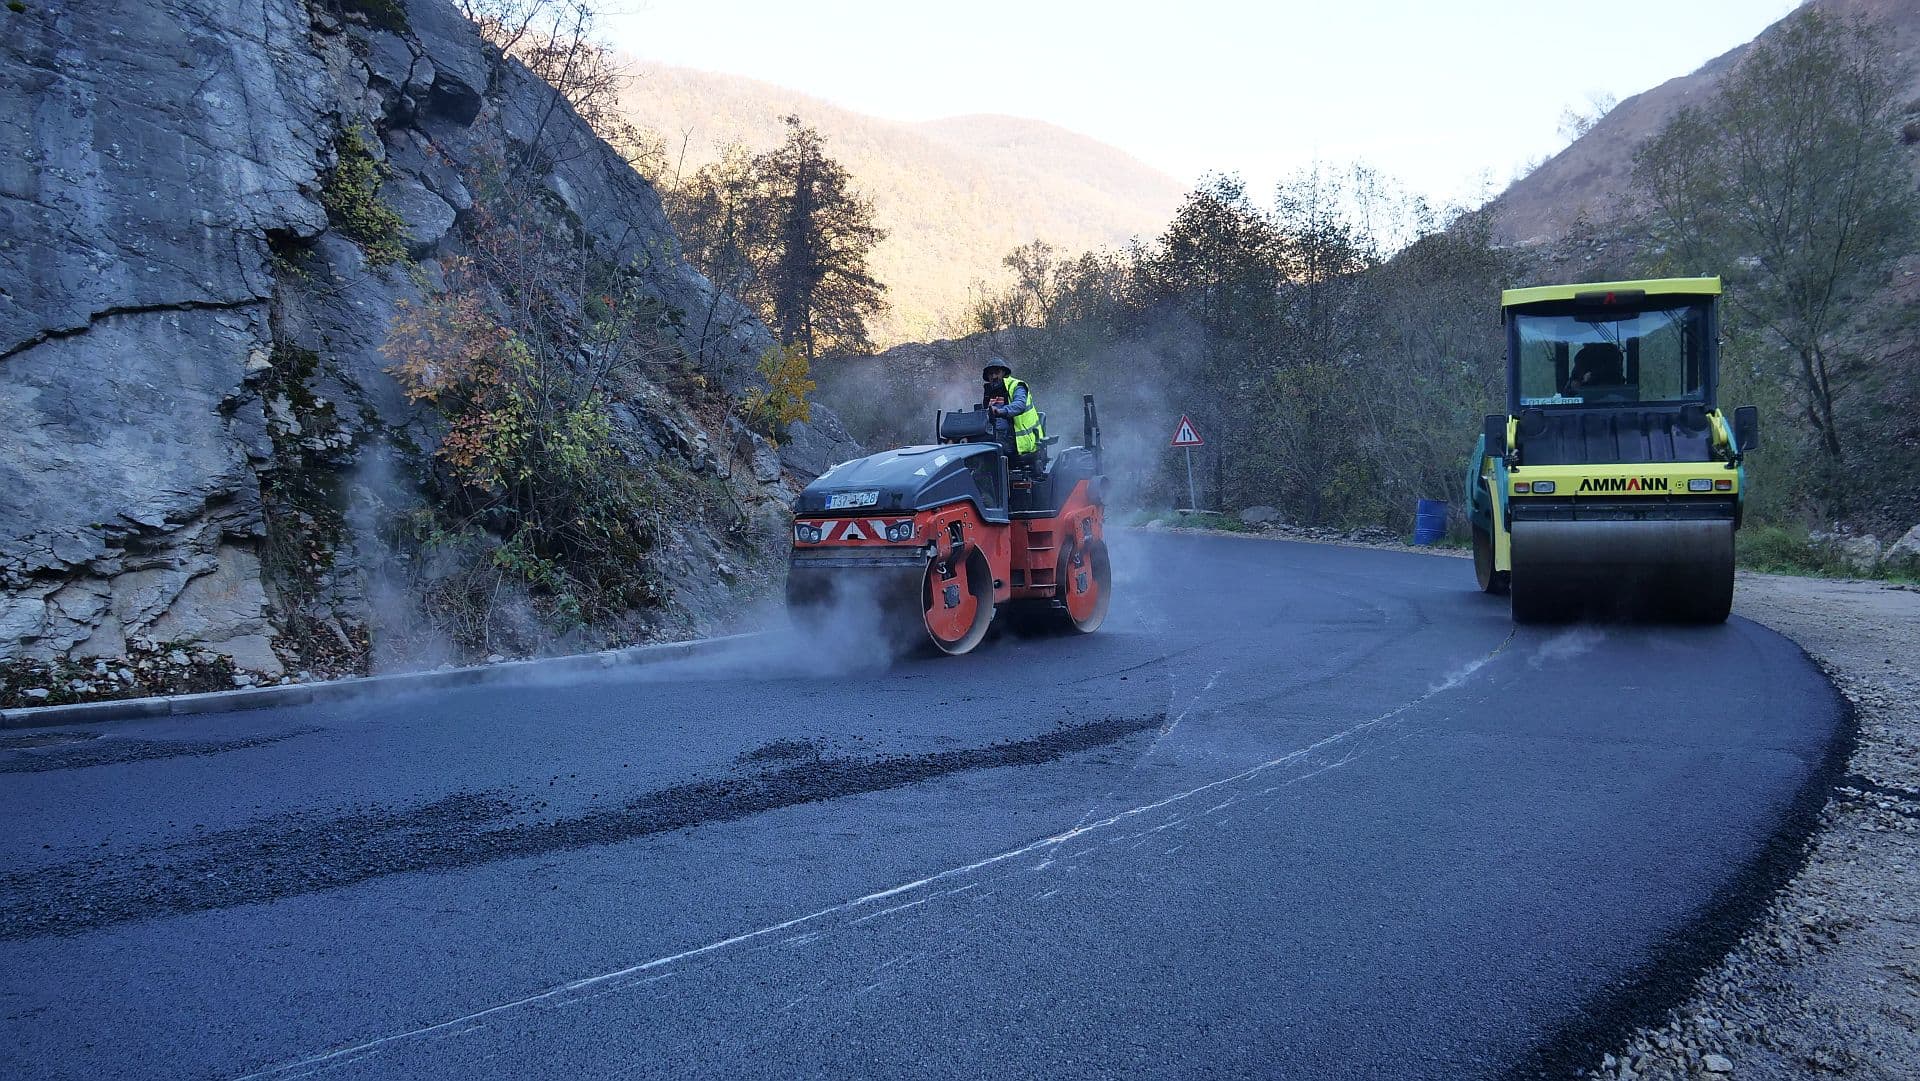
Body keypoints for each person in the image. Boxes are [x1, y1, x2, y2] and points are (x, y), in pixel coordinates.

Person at [982, 359, 1044, 461]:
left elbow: (1019, 405)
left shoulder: (1017, 386)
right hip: (1000, 438)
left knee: (988, 454)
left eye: (997, 372)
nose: (994, 377)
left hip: (1022, 442)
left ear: (1004, 373)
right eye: (990, 374)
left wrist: (1001, 411)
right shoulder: (989, 393)